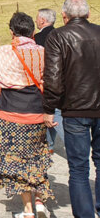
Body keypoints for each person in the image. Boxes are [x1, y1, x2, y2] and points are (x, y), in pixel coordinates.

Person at [0, 12, 52, 218]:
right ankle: (40, 200)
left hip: (10, 111)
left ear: (11, 31)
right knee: (37, 155)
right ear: (32, 31)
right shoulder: (42, 52)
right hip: (37, 111)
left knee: (16, 161)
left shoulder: (2, 52)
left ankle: (28, 209)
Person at [43, 0, 100, 218]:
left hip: (74, 108)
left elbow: (53, 77)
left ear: (64, 15)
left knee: (78, 167)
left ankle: (84, 214)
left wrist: (49, 108)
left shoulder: (58, 36)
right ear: (88, 14)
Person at [35, 8, 63, 152]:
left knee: (53, 111)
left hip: (47, 78)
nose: (35, 21)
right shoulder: (60, 34)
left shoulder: (39, 38)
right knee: (52, 110)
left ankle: (73, 146)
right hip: (63, 77)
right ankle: (48, 145)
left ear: (42, 20)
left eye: (37, 18)